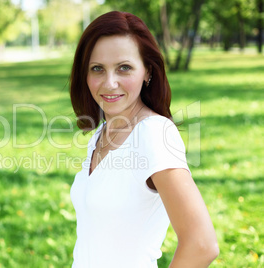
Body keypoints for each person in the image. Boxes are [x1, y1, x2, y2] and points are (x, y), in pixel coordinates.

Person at [69, 11, 219, 268]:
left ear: (147, 71)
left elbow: (202, 244)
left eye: (124, 67)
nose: (110, 83)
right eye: (97, 69)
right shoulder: (101, 133)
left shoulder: (152, 134)